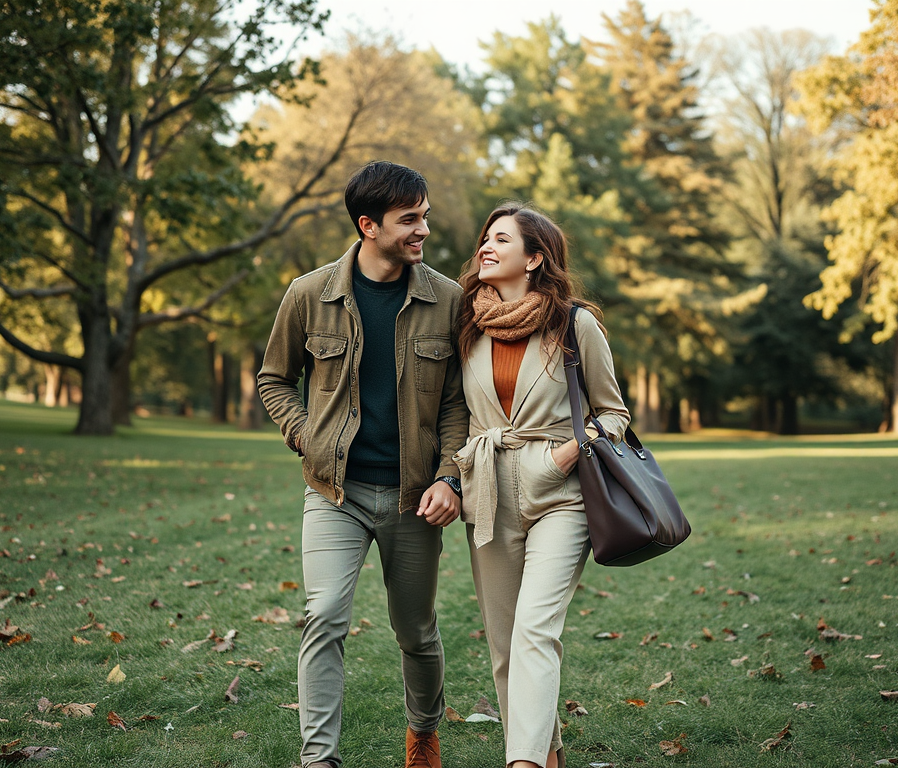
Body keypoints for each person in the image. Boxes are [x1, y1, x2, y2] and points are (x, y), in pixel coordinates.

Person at [258, 161, 468, 768]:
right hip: (334, 493)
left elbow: (456, 405)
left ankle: (423, 732)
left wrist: (450, 477)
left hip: (413, 498)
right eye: (411, 219)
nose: (423, 229)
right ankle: (318, 758)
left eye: (424, 215)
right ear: (368, 225)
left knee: (416, 632)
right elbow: (275, 379)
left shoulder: (446, 300)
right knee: (322, 616)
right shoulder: (308, 294)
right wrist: (305, 435)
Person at [452, 203, 630, 768]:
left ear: (533, 259)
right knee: (506, 646)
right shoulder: (467, 324)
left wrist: (564, 455)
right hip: (489, 493)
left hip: (562, 495)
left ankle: (521, 763)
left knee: (535, 629)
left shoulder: (574, 323)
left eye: (500, 239)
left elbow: (614, 413)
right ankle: (546, 760)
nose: (485, 246)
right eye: (485, 237)